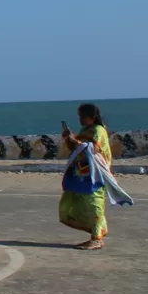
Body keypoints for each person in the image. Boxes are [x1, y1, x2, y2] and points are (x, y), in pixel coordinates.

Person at [60, 103, 114, 251]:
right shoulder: (84, 130)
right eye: (79, 117)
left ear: (93, 117)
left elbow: (93, 149)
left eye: (83, 116)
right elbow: (78, 149)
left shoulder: (99, 130)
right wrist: (68, 140)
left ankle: (97, 239)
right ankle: (95, 233)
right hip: (82, 172)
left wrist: (75, 141)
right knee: (80, 202)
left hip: (95, 173)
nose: (80, 120)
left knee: (94, 204)